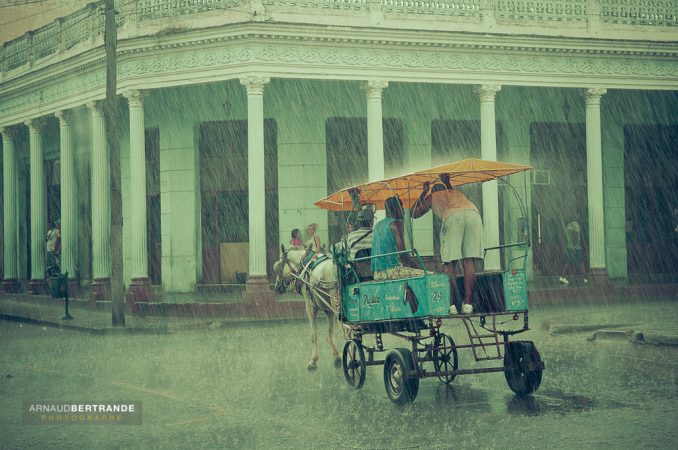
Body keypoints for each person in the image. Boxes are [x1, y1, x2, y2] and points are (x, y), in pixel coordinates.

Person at [412, 174, 483, 315]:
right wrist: (447, 182)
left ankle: (450, 305)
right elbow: (449, 191)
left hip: (452, 217)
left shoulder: (432, 197)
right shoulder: (454, 192)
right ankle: (467, 304)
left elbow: (414, 213)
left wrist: (424, 191)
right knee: (469, 260)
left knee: (449, 263)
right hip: (473, 215)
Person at [371, 196, 424, 281]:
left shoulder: (378, 226)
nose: (403, 210)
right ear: (396, 208)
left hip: (377, 274)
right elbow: (403, 254)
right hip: (392, 272)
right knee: (427, 275)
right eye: (401, 207)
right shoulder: (396, 224)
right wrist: (418, 268)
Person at [559, 219, 588, 285]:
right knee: (580, 262)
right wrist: (575, 246)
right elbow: (574, 237)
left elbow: (568, 238)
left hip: (570, 247)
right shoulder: (574, 225)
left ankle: (563, 276)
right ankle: (585, 277)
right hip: (575, 248)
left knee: (568, 262)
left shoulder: (567, 227)